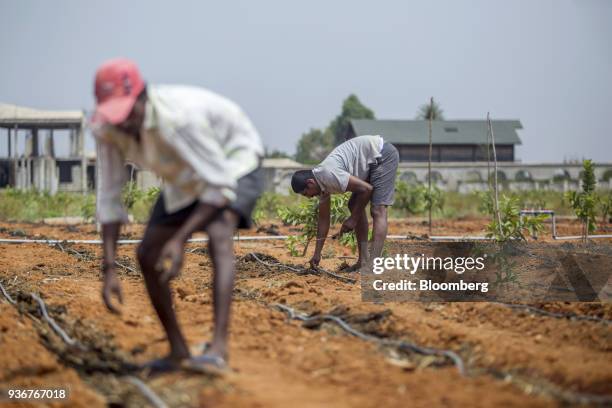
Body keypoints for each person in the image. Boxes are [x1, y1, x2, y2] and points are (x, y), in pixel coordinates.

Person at [92, 58, 264, 374]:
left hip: (232, 161)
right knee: (147, 254)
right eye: (117, 117)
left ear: (142, 96)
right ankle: (178, 350)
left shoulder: (180, 118)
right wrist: (109, 268)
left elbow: (219, 188)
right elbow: (109, 197)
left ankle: (218, 350)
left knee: (219, 235)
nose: (125, 124)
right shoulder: (106, 129)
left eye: (129, 113)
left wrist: (181, 240)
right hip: (184, 177)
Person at [290, 135, 398, 271]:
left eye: (307, 193)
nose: (310, 197)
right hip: (370, 161)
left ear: (310, 183)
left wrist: (353, 219)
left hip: (382, 154)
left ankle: (373, 265)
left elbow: (367, 189)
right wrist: (317, 254)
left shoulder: (327, 175)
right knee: (353, 205)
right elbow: (324, 220)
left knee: (378, 210)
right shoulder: (322, 186)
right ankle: (363, 261)